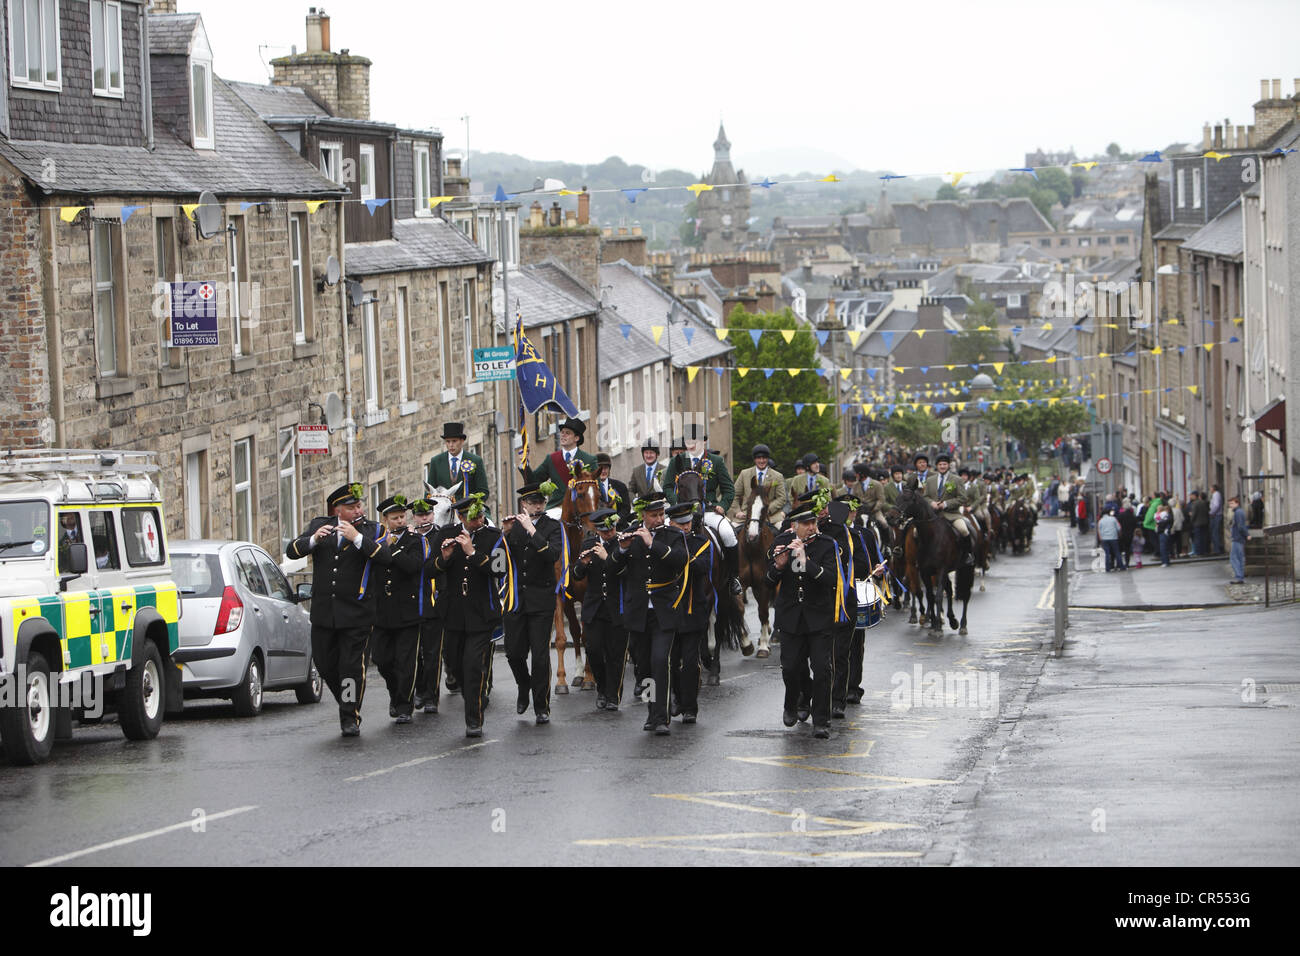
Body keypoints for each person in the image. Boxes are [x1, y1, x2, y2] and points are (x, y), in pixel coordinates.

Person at [286, 483, 394, 737]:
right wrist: (313, 540)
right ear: (338, 510)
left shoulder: (373, 529)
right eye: (352, 507)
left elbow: (385, 557)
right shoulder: (319, 525)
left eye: (359, 506)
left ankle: (349, 716)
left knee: (351, 667)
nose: (358, 510)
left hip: (358, 614)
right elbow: (291, 551)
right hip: (325, 612)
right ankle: (347, 700)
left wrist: (356, 538)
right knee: (324, 664)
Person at [608, 493, 688, 735]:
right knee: (643, 668)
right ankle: (652, 711)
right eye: (653, 515)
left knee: (660, 661)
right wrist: (620, 550)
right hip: (639, 611)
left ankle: (661, 717)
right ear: (643, 515)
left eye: (661, 514)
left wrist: (653, 544)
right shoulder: (630, 535)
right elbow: (612, 570)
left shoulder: (672, 535)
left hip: (664, 610)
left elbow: (680, 560)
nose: (659, 519)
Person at [767, 500, 838, 739]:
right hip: (790, 615)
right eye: (806, 524)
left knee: (821, 669)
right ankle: (793, 702)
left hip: (818, 615)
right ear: (794, 526)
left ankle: (821, 720)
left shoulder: (827, 545)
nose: (811, 527)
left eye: (813, 522)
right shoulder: (780, 543)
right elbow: (768, 581)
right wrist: (778, 566)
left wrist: (806, 561)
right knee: (790, 667)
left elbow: (830, 579)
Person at [434, 494, 503, 737]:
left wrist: (472, 553)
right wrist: (444, 559)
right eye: (474, 517)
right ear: (461, 517)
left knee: (473, 665)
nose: (479, 520)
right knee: (454, 664)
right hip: (453, 612)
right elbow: (429, 569)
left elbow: (499, 568)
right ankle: (473, 694)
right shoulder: (445, 534)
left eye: (481, 515)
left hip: (481, 612)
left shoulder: (494, 536)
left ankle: (474, 720)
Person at [500, 482, 564, 725]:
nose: (537, 505)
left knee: (539, 656)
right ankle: (523, 684)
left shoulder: (552, 527)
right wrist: (504, 534)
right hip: (516, 600)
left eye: (540, 501)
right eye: (532, 502)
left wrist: (531, 530)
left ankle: (541, 705)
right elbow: (499, 559)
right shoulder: (513, 527)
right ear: (523, 504)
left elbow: (552, 555)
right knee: (514, 652)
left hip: (541, 599)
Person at [661, 423, 741, 595]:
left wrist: (723, 505)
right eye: (690, 441)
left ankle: (733, 577)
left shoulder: (716, 461)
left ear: (703, 442)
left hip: (709, 510)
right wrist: (677, 503)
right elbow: (667, 486)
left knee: (728, 534)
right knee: (662, 532)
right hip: (682, 512)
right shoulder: (677, 461)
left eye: (697, 440)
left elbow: (729, 489)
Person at [371, 495, 429, 724]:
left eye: (402, 517)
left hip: (407, 611)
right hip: (382, 612)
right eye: (394, 518)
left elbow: (413, 566)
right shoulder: (376, 540)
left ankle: (404, 705)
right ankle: (395, 693)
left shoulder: (415, 541)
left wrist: (393, 549)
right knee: (382, 660)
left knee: (406, 661)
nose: (400, 522)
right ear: (384, 519)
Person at [570, 508, 627, 711]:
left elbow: (624, 572)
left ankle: (613, 695)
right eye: (604, 531)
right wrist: (582, 564)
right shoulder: (588, 544)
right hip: (594, 607)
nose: (608, 533)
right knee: (593, 650)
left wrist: (607, 557)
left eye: (610, 529)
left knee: (615, 654)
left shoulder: (622, 545)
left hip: (616, 607)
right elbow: (575, 575)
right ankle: (602, 688)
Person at [666, 501, 715, 725]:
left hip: (693, 610)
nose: (685, 528)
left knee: (690, 660)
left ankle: (690, 707)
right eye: (679, 523)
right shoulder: (663, 541)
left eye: (687, 523)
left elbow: (701, 566)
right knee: (671, 660)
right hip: (670, 611)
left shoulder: (700, 542)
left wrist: (674, 554)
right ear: (671, 523)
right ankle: (675, 695)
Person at [411, 496, 453, 715]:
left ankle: (431, 695)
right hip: (413, 601)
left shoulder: (441, 536)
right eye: (420, 515)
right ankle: (419, 688)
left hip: (435, 600)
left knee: (432, 652)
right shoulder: (409, 538)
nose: (424, 518)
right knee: (414, 653)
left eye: (427, 514)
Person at [526, 417, 598, 516]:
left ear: (576, 438)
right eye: (562, 432)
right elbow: (533, 480)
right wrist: (525, 463)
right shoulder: (551, 459)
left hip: (582, 507)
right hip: (557, 507)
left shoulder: (589, 460)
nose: (563, 435)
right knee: (544, 526)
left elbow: (595, 486)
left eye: (567, 433)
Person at [924, 455, 976, 566]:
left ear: (948, 465)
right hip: (933, 515)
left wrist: (946, 504)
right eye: (940, 464)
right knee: (915, 532)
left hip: (951, 514)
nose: (942, 466)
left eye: (944, 464)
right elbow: (925, 497)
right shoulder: (930, 480)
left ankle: (968, 555)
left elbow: (962, 498)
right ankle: (919, 557)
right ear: (936, 466)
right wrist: (932, 503)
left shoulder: (957, 479)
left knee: (964, 530)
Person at [426, 422, 488, 498]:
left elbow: (483, 491)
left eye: (454, 441)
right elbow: (429, 491)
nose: (451, 445)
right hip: (444, 508)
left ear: (462, 441)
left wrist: (472, 505)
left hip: (467, 508)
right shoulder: (436, 461)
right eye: (448, 441)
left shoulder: (475, 460)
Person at [732, 444, 788, 523]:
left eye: (764, 458)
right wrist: (737, 511)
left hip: (771, 517)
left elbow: (782, 498)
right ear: (754, 459)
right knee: (730, 533)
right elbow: (734, 494)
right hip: (747, 516)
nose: (761, 461)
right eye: (758, 458)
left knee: (782, 530)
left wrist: (767, 509)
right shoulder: (744, 474)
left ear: (768, 459)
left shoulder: (778, 476)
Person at [593, 453, 631, 524]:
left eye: (605, 468)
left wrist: (618, 518)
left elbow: (626, 508)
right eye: (600, 468)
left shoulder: (620, 486)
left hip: (619, 526)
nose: (603, 471)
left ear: (609, 469)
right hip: (599, 527)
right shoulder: (591, 489)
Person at [1228, 495, 1248, 583]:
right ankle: (1240, 577)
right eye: (1230, 504)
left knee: (1234, 558)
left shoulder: (1238, 513)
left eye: (1232, 503)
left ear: (1237, 503)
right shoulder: (1239, 512)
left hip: (1237, 538)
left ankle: (1239, 576)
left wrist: (1246, 534)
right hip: (1239, 537)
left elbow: (1240, 526)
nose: (1230, 506)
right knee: (1239, 557)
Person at [1186, 490, 1210, 557]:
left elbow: (1194, 514)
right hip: (1204, 522)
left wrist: (1191, 520)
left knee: (1198, 538)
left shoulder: (1195, 504)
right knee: (1203, 537)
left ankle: (1198, 552)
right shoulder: (1204, 503)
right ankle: (1204, 551)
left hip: (1197, 523)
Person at [1116, 497, 1137, 571]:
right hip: (1130, 534)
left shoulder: (1121, 515)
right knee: (1127, 550)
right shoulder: (1133, 516)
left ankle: (1119, 564)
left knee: (1120, 549)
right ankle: (1127, 563)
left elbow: (1117, 524)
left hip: (1122, 534)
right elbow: (1135, 525)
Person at [1155, 499, 1174, 567]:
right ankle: (1166, 561)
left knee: (1163, 548)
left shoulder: (1165, 516)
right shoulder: (1165, 516)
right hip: (1163, 532)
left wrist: (1158, 523)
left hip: (1163, 533)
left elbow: (1163, 523)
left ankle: (1165, 562)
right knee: (1164, 547)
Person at [1209, 485, 1224, 554]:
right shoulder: (1215, 495)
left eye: (1211, 488)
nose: (1210, 489)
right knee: (1215, 533)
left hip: (1216, 515)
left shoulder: (1216, 494)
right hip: (1216, 515)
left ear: (1214, 488)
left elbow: (1216, 505)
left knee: (1215, 533)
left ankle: (1217, 549)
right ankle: (1217, 548)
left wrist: (1212, 512)